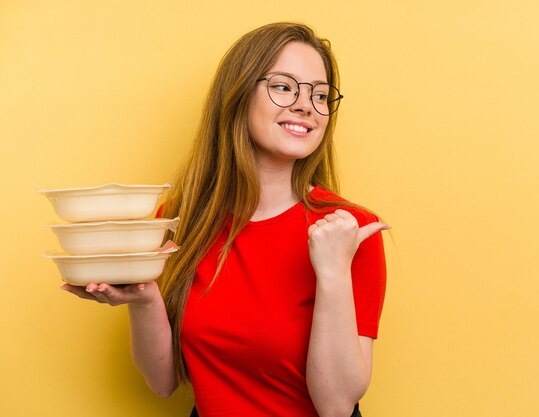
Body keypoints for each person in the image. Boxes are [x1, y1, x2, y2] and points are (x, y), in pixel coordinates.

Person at [62, 22, 388, 417]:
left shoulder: (350, 228)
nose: (307, 105)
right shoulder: (183, 222)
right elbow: (163, 382)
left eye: (320, 95)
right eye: (284, 86)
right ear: (237, 96)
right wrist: (144, 298)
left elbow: (336, 407)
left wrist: (333, 272)